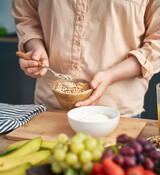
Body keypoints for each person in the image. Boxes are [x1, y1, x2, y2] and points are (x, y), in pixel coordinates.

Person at [12, 0, 160, 117]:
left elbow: (157, 42)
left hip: (116, 111)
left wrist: (111, 76)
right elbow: (26, 16)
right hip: (51, 106)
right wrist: (35, 47)